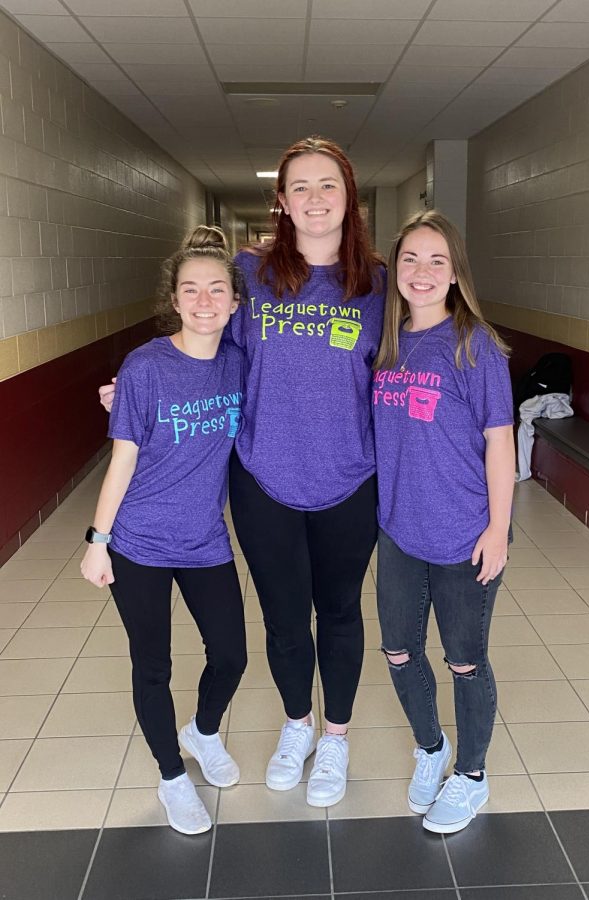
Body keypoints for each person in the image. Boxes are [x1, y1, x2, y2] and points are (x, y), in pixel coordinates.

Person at [100, 137, 385, 808]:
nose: (315, 199)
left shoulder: (375, 282)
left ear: (349, 196)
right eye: (300, 187)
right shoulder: (249, 272)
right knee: (285, 620)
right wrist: (137, 388)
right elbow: (200, 344)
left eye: (328, 185)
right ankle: (297, 726)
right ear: (280, 201)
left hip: (351, 477)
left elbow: (410, 362)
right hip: (262, 479)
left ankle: (335, 739)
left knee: (339, 612)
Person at [83, 226, 247, 835]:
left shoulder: (238, 363)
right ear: (174, 300)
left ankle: (202, 733)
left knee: (231, 655)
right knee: (153, 665)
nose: (204, 301)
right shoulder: (145, 367)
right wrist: (98, 542)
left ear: (234, 300)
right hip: (139, 543)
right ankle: (171, 777)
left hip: (205, 540)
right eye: (190, 290)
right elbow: (121, 458)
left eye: (216, 290)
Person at [371, 210, 514, 834]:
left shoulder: (473, 343)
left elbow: (501, 442)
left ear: (455, 272)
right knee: (400, 651)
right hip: (399, 530)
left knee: (464, 660)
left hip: (463, 533)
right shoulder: (388, 343)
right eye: (410, 259)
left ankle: (472, 775)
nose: (422, 272)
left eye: (436, 260)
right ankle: (431, 749)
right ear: (395, 270)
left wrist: (497, 529)